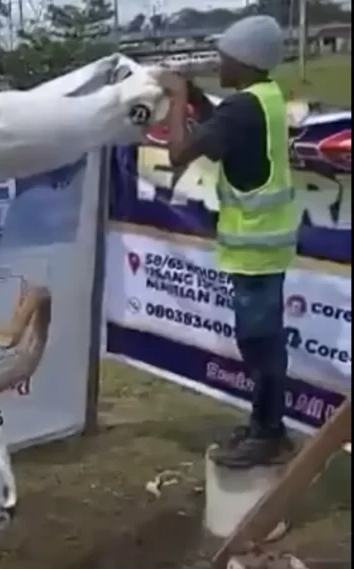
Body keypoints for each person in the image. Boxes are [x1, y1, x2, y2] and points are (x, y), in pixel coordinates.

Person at [158, 15, 299, 468]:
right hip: (264, 247)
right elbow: (219, 129)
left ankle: (271, 433)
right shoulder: (263, 97)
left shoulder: (243, 109)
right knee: (263, 341)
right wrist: (197, 96)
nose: (217, 61)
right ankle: (264, 426)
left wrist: (179, 98)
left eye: (224, 55)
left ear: (245, 60)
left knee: (260, 342)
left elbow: (179, 152)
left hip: (256, 250)